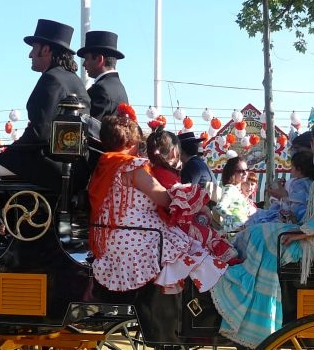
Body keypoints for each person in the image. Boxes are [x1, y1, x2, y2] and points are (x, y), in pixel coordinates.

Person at [210, 115, 314, 348]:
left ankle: (255, 317)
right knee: (259, 233)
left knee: (262, 237)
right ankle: (250, 306)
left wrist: (305, 231)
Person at [0, 19, 90, 259]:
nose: (30, 55)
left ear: (46, 49)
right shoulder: (76, 81)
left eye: (33, 48)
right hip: (70, 167)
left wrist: (10, 152)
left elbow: (40, 133)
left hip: (49, 164)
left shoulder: (51, 79)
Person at [88, 107, 226, 294]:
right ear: (130, 142)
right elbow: (164, 199)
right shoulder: (132, 166)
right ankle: (201, 297)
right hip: (135, 239)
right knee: (193, 246)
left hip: (109, 239)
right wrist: (188, 194)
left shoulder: (104, 165)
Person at [145, 126, 237, 262]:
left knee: (207, 233)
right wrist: (203, 208)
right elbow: (184, 195)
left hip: (171, 217)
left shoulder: (153, 171)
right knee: (207, 236)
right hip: (176, 220)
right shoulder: (186, 168)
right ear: (173, 152)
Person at [245, 149, 314, 226]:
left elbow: (294, 206)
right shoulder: (312, 183)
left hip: (296, 218)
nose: (291, 169)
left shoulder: (297, 184)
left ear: (298, 169)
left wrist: (282, 197)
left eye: (292, 166)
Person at [77, 30, 129, 120]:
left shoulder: (100, 90)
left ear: (99, 59)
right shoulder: (120, 88)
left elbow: (90, 129)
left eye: (86, 59)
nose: (84, 64)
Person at [213, 156, 257, 232]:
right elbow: (219, 207)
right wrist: (233, 219)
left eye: (246, 170)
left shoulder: (237, 191)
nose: (245, 173)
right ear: (232, 173)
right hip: (234, 232)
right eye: (241, 171)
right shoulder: (230, 188)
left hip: (242, 229)